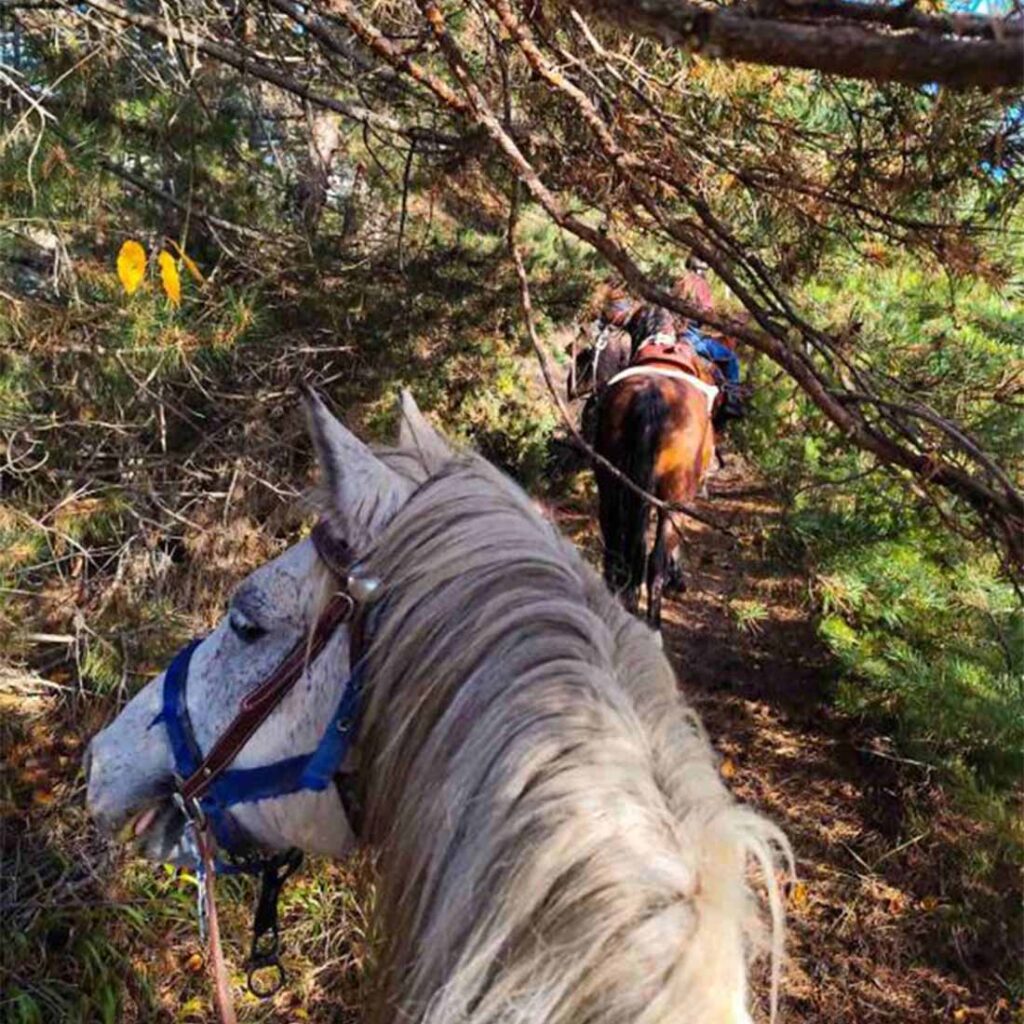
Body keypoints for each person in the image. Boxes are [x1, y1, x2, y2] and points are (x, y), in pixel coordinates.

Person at [673, 258, 745, 420]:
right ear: (700, 270)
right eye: (705, 271)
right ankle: (733, 401)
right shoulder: (700, 285)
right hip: (692, 338)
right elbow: (707, 313)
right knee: (731, 358)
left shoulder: (678, 283)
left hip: (673, 335)